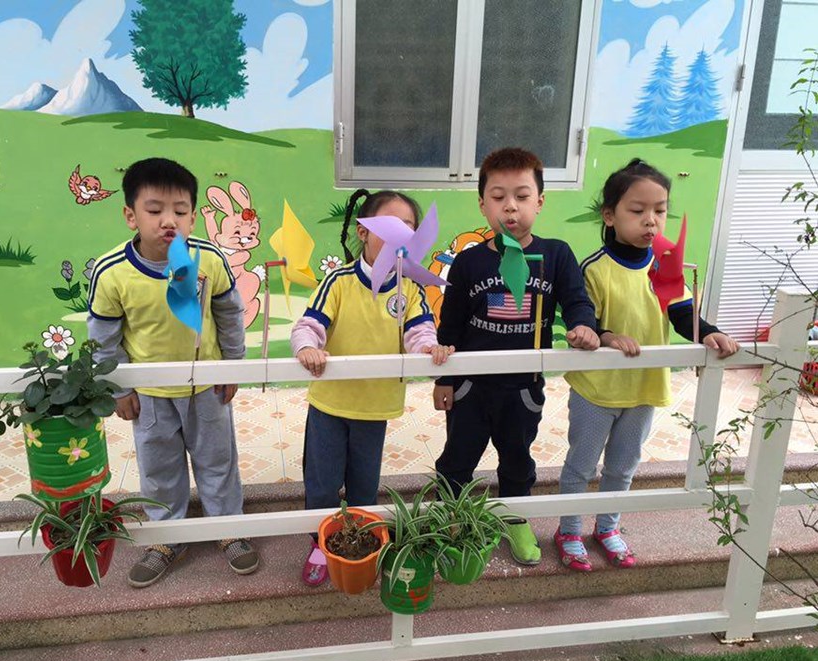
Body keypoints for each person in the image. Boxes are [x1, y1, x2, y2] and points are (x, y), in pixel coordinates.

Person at [557, 159, 738, 571]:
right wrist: (606, 337)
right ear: (610, 215)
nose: (651, 220)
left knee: (623, 466)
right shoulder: (594, 268)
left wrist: (709, 333)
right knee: (581, 465)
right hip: (596, 390)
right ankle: (568, 530)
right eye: (637, 210)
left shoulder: (666, 265)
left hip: (644, 388)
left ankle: (608, 527)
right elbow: (582, 318)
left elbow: (683, 314)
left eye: (660, 210)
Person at [87, 157, 258, 587]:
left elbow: (229, 314)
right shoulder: (111, 272)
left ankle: (228, 527)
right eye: (155, 209)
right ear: (130, 215)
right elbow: (104, 338)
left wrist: (232, 365)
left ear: (193, 217)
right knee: (159, 468)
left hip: (207, 387)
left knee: (218, 460)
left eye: (180, 211)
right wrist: (118, 387)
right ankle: (167, 536)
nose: (169, 220)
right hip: (150, 394)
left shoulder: (209, 259)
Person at [433, 147, 600, 566]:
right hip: (470, 387)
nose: (510, 206)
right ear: (482, 204)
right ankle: (451, 518)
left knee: (517, 459)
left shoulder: (557, 255)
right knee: (458, 458)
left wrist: (584, 326)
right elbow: (451, 324)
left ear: (539, 202)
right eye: (498, 196)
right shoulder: (468, 262)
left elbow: (577, 301)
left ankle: (515, 518)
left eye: (522, 196)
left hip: (523, 388)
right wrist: (444, 379)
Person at [291, 189, 454, 586]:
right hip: (330, 404)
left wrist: (428, 348)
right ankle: (320, 541)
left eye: (410, 227)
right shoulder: (339, 281)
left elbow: (419, 330)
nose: (403, 235)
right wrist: (308, 346)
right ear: (364, 232)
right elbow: (309, 324)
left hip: (375, 405)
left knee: (365, 483)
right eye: (391, 226)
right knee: (323, 482)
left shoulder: (410, 287)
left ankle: (361, 538)